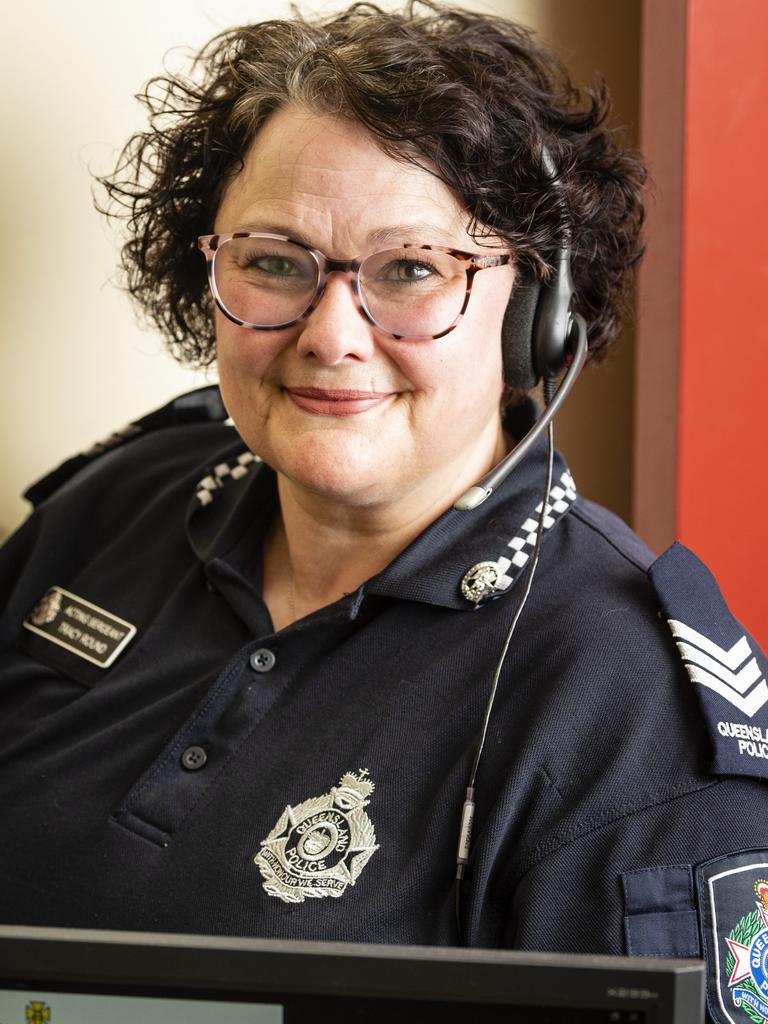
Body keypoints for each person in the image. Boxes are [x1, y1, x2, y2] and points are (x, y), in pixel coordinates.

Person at [1, 3, 766, 1018]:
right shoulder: (109, 508)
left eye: (409, 270)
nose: (331, 334)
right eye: (275, 260)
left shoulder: (628, 710)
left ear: (536, 313)